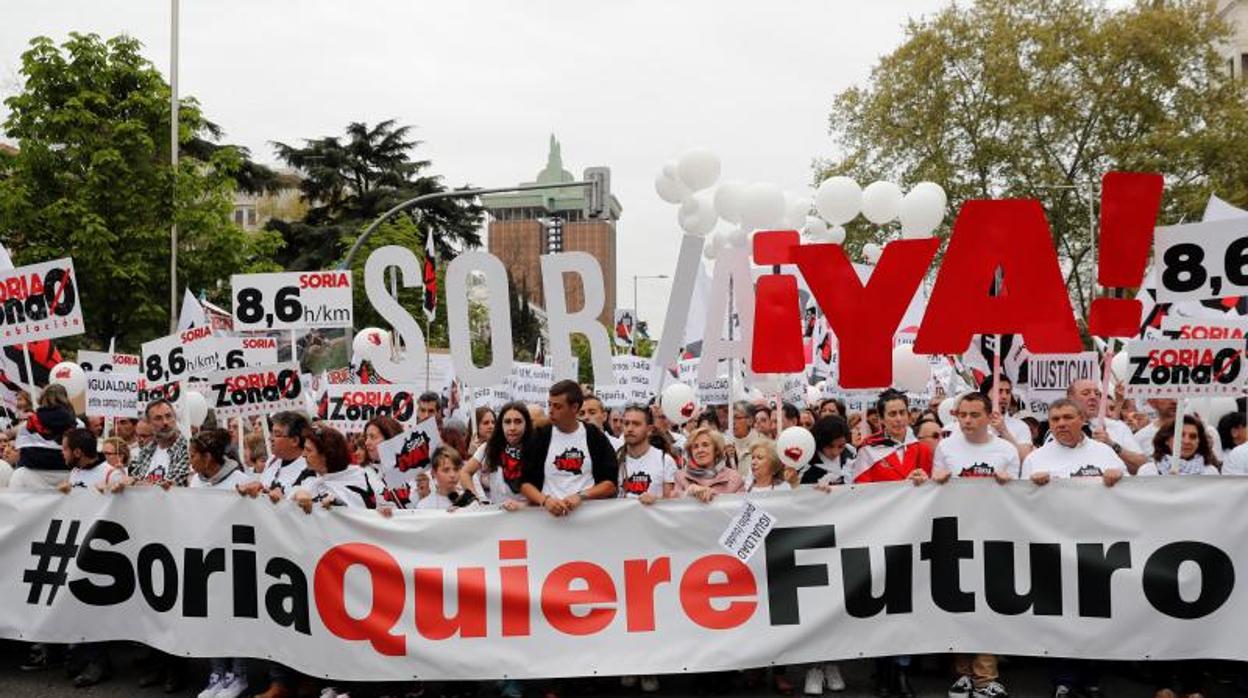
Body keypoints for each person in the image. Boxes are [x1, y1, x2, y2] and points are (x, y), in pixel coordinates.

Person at [185, 429, 252, 698]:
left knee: (234, 619)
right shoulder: (194, 482)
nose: (190, 461)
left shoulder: (240, 481)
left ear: (208, 457)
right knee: (211, 619)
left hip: (234, 561)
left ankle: (239, 674)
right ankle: (217, 673)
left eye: (193, 456)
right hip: (204, 561)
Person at [519, 380, 618, 517]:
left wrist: (581, 496)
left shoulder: (594, 436)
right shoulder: (540, 436)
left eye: (558, 406)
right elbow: (524, 483)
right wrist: (545, 500)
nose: (551, 411)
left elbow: (610, 483)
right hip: (548, 519)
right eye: (549, 405)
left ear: (574, 407)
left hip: (589, 518)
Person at [288, 423, 390, 512]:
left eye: (308, 450)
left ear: (326, 455)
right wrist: (298, 493)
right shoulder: (309, 476)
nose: (303, 455)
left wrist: (338, 504)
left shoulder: (362, 478)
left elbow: (363, 512)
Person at [1022, 399, 1124, 487]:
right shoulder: (1034, 459)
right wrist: (1034, 486)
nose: (1061, 423)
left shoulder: (1105, 452)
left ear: (1082, 420)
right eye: (1055, 419)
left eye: (1068, 417)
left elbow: (1128, 489)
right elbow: (1024, 501)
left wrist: (1119, 478)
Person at [931, 392, 1020, 482]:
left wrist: (1009, 483)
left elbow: (1014, 492)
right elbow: (936, 488)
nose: (967, 420)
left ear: (989, 417)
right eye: (963, 415)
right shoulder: (944, 447)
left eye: (974, 415)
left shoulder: (1008, 450)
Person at [850, 390, 934, 485]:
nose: (898, 419)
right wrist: (904, 485)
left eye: (902, 413)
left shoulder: (922, 450)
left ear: (908, 415)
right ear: (881, 419)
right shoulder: (868, 449)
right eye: (892, 414)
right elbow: (861, 491)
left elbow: (931, 492)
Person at [461, 401, 532, 510]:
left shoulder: (538, 449)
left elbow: (546, 492)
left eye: (518, 421)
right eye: (507, 422)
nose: (512, 427)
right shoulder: (488, 448)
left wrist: (522, 506)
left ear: (526, 424)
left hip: (529, 517)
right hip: (497, 519)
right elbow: (465, 472)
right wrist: (474, 500)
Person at [1065, 379, 1147, 472]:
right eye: (1086, 393)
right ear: (1070, 399)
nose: (1093, 397)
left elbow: (1142, 465)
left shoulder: (1117, 427)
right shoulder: (1061, 429)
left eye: (1097, 393)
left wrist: (1112, 444)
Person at [9, 384, 78, 489]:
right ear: (65, 398)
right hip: (68, 475)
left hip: (31, 475)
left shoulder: (29, 423)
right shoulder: (77, 424)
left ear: (42, 398)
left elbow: (20, 450)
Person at [617, 404, 677, 504]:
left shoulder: (665, 460)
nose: (630, 429)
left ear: (649, 430)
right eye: (626, 423)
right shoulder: (615, 458)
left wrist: (656, 501)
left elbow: (670, 504)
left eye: (636, 424)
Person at [125, 398, 190, 489]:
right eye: (158, 418)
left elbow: (172, 486)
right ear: (149, 423)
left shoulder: (187, 449)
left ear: (175, 417)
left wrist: (137, 483)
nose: (165, 422)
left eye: (168, 416)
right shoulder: (146, 450)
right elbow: (133, 479)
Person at [674, 426, 744, 501]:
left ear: (716, 450)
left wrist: (714, 496)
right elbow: (672, 507)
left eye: (705, 445)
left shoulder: (734, 478)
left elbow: (742, 509)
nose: (700, 450)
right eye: (695, 447)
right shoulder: (681, 477)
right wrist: (688, 493)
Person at [1139, 415, 1220, 476]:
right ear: (1166, 440)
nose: (1187, 441)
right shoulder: (1148, 471)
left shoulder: (1210, 472)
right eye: (1180, 435)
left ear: (1199, 442)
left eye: (1193, 436)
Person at [979, 375, 1033, 460]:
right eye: (999, 391)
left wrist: (1004, 431)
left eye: (1008, 392)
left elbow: (1026, 460)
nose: (1004, 396)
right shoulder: (973, 423)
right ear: (984, 395)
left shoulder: (1021, 427)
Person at [260, 411, 310, 494]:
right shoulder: (272, 460)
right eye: (271, 433)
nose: (271, 439)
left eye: (277, 435)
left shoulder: (308, 469)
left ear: (294, 441)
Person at [416, 446, 477, 510]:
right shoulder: (424, 506)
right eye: (446, 470)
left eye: (456, 469)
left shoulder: (469, 501)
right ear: (434, 473)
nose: (452, 475)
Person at [803, 415, 853, 486]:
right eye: (830, 446)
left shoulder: (850, 454)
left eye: (841, 446)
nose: (835, 452)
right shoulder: (806, 464)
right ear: (820, 442)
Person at [728, 400, 762, 476]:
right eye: (730, 418)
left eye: (737, 417)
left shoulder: (761, 443)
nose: (732, 422)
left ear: (750, 420)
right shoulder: (726, 443)